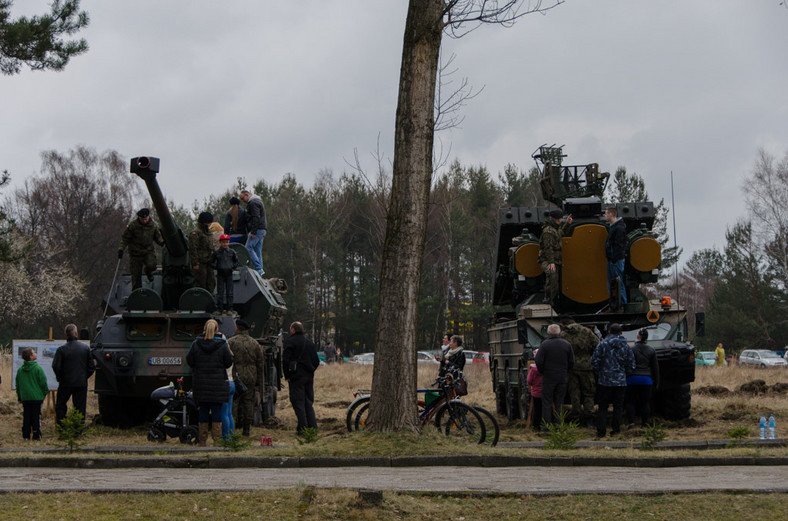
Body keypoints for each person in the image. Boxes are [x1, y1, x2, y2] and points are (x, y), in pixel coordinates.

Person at [186, 319, 233, 446]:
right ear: (217, 329)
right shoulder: (222, 345)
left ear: (204, 329)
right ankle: (217, 441)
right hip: (217, 384)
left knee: (203, 412)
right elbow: (229, 362)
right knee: (217, 413)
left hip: (201, 384)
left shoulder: (196, 344)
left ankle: (202, 441)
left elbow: (190, 360)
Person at [591, 323, 635, 437]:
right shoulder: (626, 346)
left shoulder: (602, 344)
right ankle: (616, 430)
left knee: (603, 407)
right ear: (621, 333)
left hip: (605, 380)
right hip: (620, 380)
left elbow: (594, 361)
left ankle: (601, 431)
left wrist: (600, 373)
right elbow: (631, 364)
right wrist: (625, 374)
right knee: (618, 407)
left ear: (609, 332)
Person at [52, 324, 96, 426]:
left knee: (61, 406)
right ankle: (78, 429)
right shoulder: (85, 348)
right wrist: (84, 376)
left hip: (65, 382)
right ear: (76, 334)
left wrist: (60, 377)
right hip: (80, 383)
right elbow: (92, 367)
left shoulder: (61, 350)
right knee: (79, 407)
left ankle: (62, 428)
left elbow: (56, 366)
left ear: (65, 334)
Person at [560, 316, 599, 428]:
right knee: (588, 393)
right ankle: (589, 419)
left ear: (563, 324)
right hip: (586, 367)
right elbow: (597, 345)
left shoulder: (563, 335)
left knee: (574, 393)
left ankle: (576, 418)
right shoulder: (586, 331)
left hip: (571, 368)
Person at [282, 321, 319, 435]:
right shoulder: (309, 343)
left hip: (296, 377)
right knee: (308, 402)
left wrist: (287, 375)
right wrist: (310, 370)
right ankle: (313, 427)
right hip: (308, 377)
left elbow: (285, 361)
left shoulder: (290, 342)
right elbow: (316, 361)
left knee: (298, 402)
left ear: (293, 330)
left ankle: (302, 429)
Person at [535, 324, 575, 428]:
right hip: (562, 377)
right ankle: (558, 425)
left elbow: (538, 361)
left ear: (548, 333)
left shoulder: (544, 345)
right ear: (559, 333)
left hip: (548, 377)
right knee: (559, 403)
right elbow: (571, 361)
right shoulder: (567, 344)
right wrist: (565, 371)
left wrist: (542, 371)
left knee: (547, 402)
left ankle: (546, 426)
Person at [228, 319, 263, 437]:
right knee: (248, 402)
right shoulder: (255, 343)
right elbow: (260, 363)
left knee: (234, 401)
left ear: (237, 328)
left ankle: (232, 427)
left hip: (235, 376)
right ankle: (246, 428)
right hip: (250, 376)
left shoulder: (231, 342)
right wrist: (258, 380)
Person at [117, 208, 164, 290]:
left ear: (149, 217)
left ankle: (148, 272)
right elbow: (125, 238)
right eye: (143, 219)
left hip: (148, 252)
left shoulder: (153, 226)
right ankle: (137, 293)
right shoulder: (133, 226)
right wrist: (121, 249)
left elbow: (158, 238)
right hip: (135, 254)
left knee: (152, 265)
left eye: (146, 219)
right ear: (139, 217)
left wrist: (163, 243)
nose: (145, 221)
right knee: (136, 276)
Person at [625, 328, 660, 429]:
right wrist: (656, 381)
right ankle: (644, 424)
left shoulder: (631, 349)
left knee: (630, 402)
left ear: (638, 336)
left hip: (632, 379)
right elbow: (655, 368)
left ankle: (631, 423)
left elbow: (627, 364)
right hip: (646, 379)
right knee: (645, 402)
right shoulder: (651, 350)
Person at [537, 209, 573, 305]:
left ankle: (553, 299)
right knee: (552, 274)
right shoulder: (548, 231)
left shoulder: (555, 229)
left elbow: (561, 233)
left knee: (556, 281)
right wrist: (551, 262)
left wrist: (568, 224)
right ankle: (548, 298)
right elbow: (548, 248)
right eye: (559, 219)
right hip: (547, 259)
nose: (560, 221)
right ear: (555, 219)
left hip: (556, 259)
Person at [16, 348, 49, 440]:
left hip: (25, 397)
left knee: (26, 416)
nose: (35, 354)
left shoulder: (20, 370)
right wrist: (44, 393)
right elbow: (43, 383)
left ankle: (26, 434)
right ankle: (36, 433)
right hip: (37, 397)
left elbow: (18, 384)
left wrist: (20, 396)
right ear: (31, 356)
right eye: (34, 353)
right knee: (36, 416)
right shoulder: (38, 368)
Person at [208, 233, 240, 314]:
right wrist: (217, 267)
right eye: (223, 242)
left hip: (229, 274)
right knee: (220, 293)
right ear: (220, 243)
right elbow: (211, 262)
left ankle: (229, 309)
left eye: (226, 242)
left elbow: (237, 261)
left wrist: (233, 267)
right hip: (220, 274)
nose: (225, 244)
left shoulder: (232, 252)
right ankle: (220, 309)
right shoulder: (217, 253)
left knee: (229, 293)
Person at [239, 189, 267, 275]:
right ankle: (260, 270)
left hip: (257, 229)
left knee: (248, 248)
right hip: (262, 229)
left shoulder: (253, 203)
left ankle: (258, 268)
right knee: (257, 250)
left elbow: (256, 217)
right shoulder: (258, 201)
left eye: (243, 198)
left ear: (247, 195)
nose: (243, 201)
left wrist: (253, 231)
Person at [604, 206, 627, 309]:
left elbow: (618, 245)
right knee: (613, 283)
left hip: (616, 261)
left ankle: (622, 304)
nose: (605, 216)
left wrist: (614, 258)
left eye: (606, 213)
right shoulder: (613, 227)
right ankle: (614, 304)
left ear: (611, 214)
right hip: (611, 260)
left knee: (618, 283)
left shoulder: (619, 228)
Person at [189, 211, 216, 293]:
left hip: (209, 262)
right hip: (200, 263)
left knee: (211, 283)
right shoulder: (195, 233)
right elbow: (193, 249)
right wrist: (195, 263)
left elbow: (212, 246)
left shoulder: (209, 233)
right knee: (201, 283)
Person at [526, 349, 543, 432]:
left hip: (536, 393)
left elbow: (529, 381)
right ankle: (548, 424)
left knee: (537, 410)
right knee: (547, 408)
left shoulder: (533, 370)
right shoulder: (547, 368)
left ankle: (536, 426)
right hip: (546, 392)